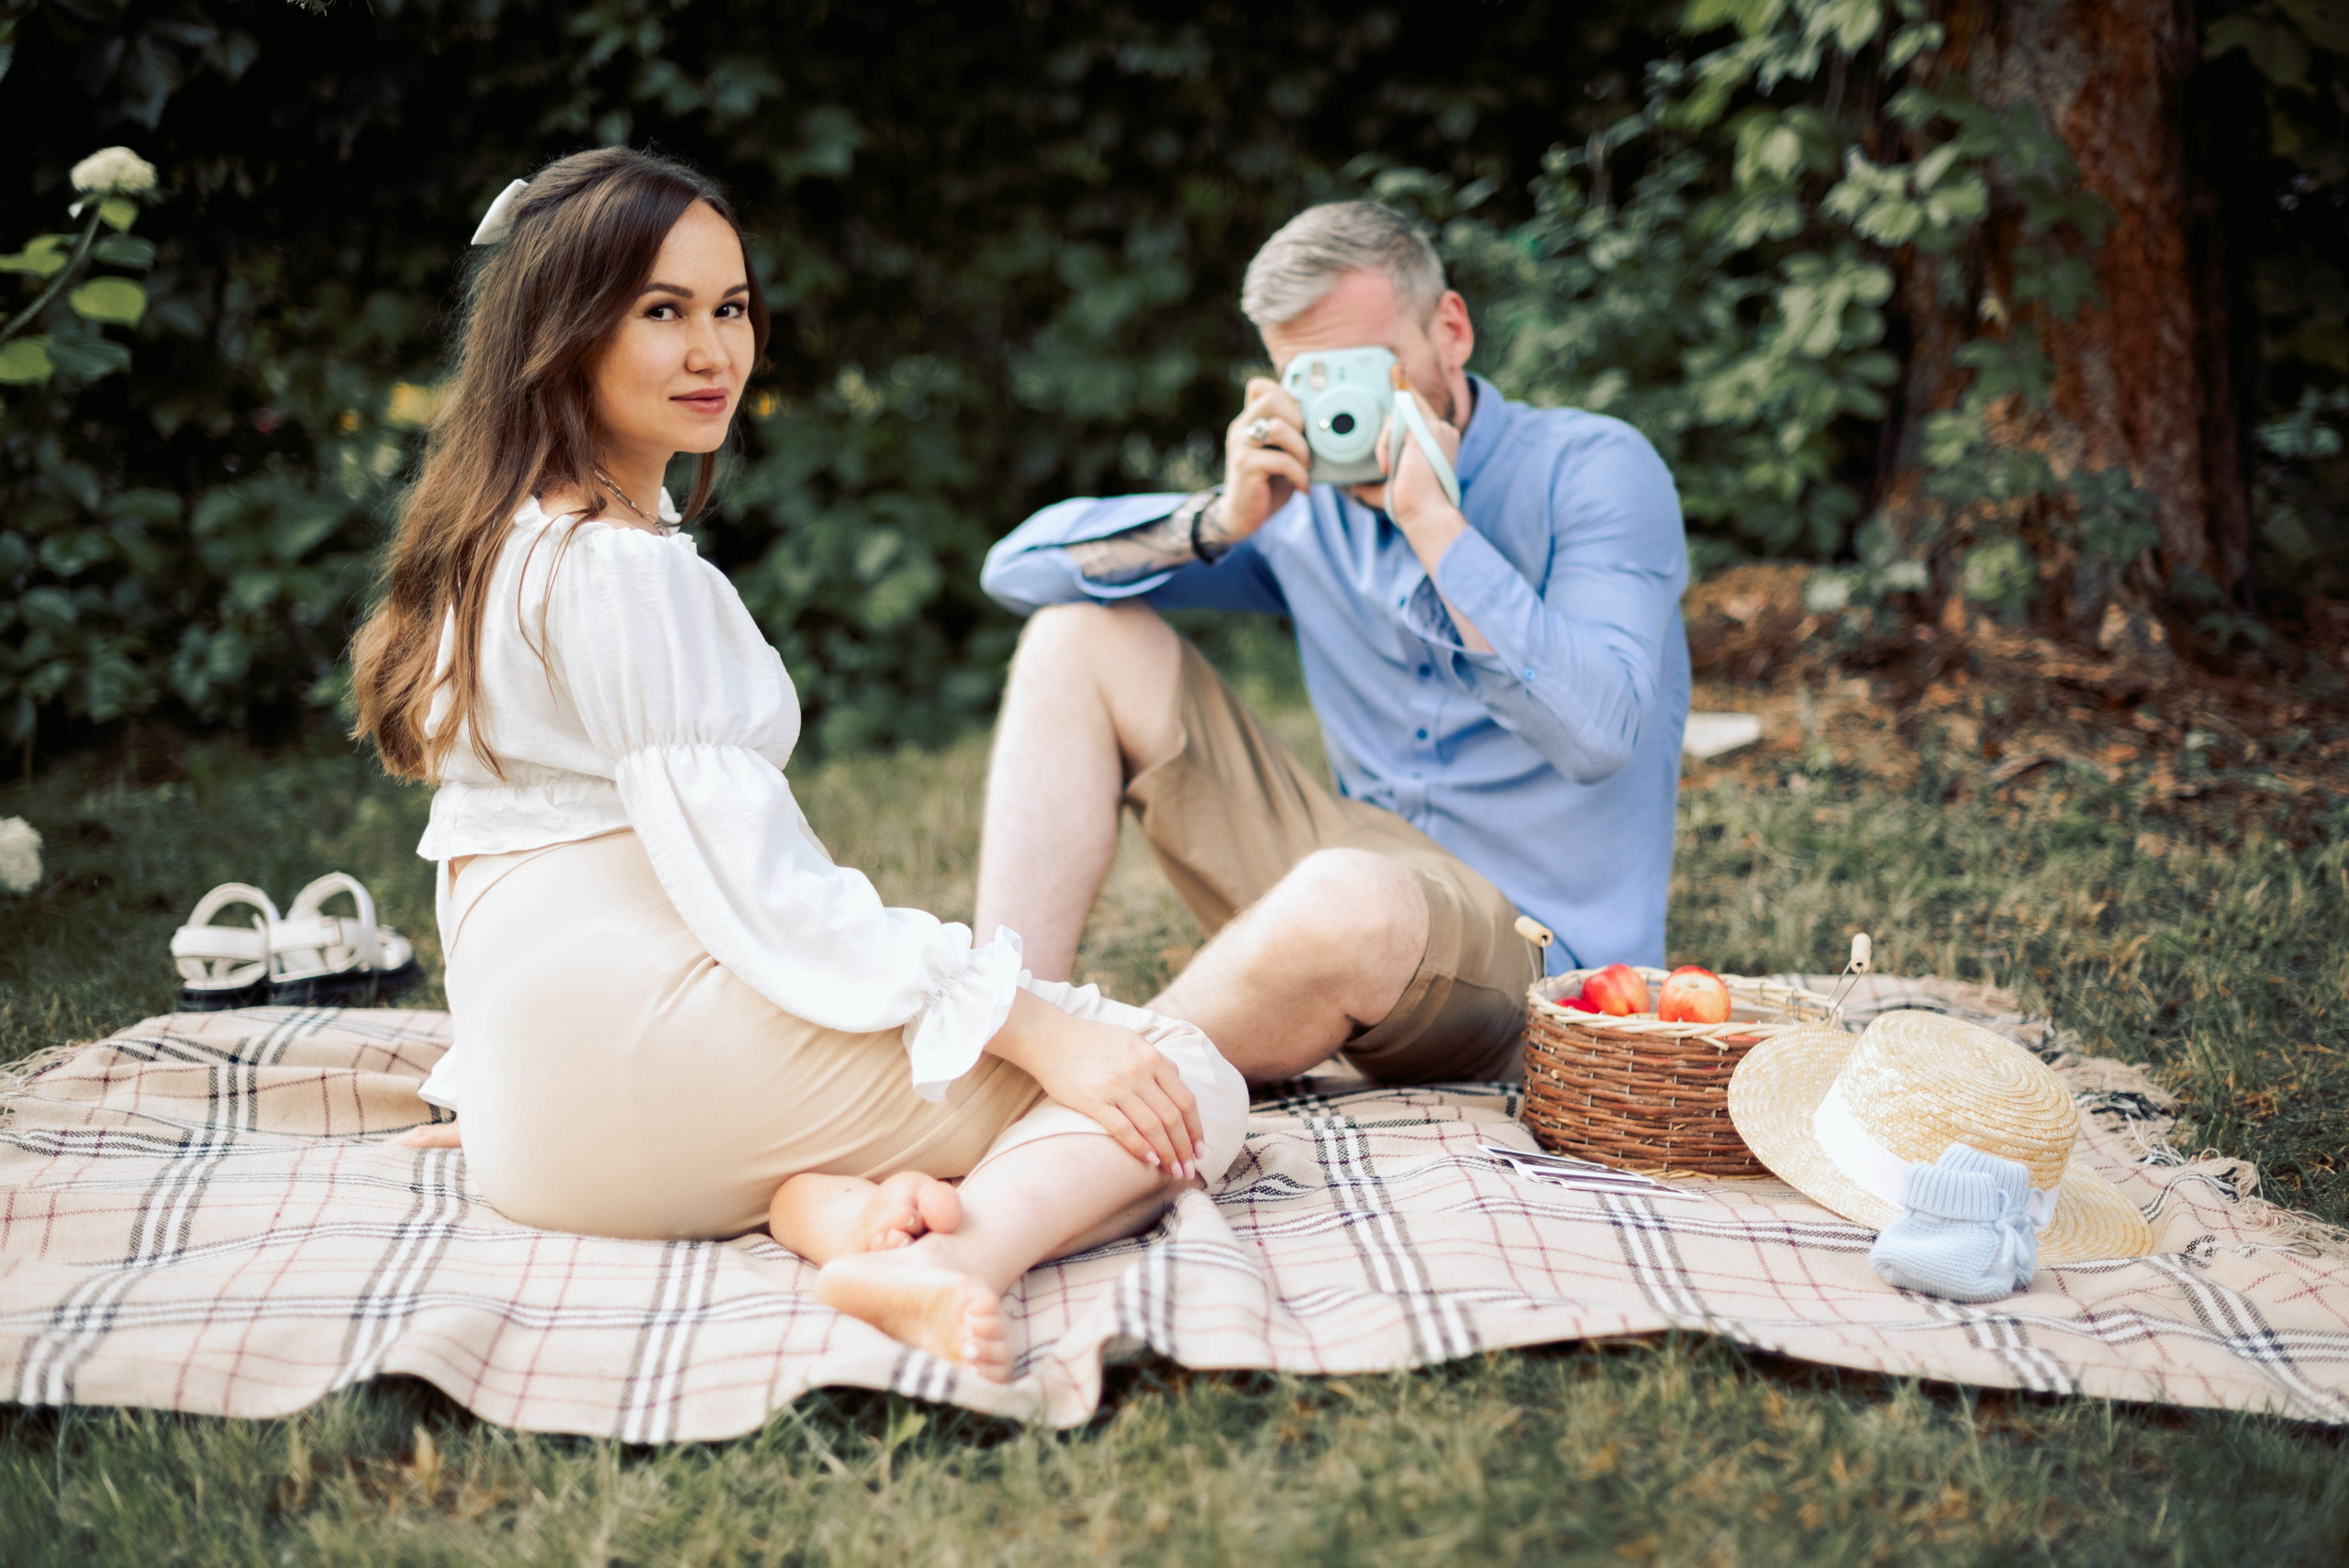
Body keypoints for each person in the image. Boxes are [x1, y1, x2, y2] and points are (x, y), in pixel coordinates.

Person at [349, 148, 1248, 1383]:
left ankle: (813, 1202)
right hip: (630, 1083)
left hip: (525, 1110)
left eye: (731, 307)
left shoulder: (497, 537)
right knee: (1178, 1074)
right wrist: (1037, 1027)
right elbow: (764, 894)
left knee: (914, 1024)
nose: (715, 349)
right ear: (562, 333)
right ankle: (953, 1264)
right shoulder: (620, 569)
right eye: (662, 312)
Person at [979, 200, 1690, 1088]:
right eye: (1316, 383)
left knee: (1347, 893)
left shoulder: (1594, 469)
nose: (1346, 414)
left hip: (1543, 971)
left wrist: (1437, 526)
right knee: (1074, 635)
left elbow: (1597, 737)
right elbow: (1014, 571)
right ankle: (999, 1028)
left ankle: (1081, 1089)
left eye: (1370, 370)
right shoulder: (1298, 514)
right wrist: (1218, 518)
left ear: (1451, 331)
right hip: (1354, 908)